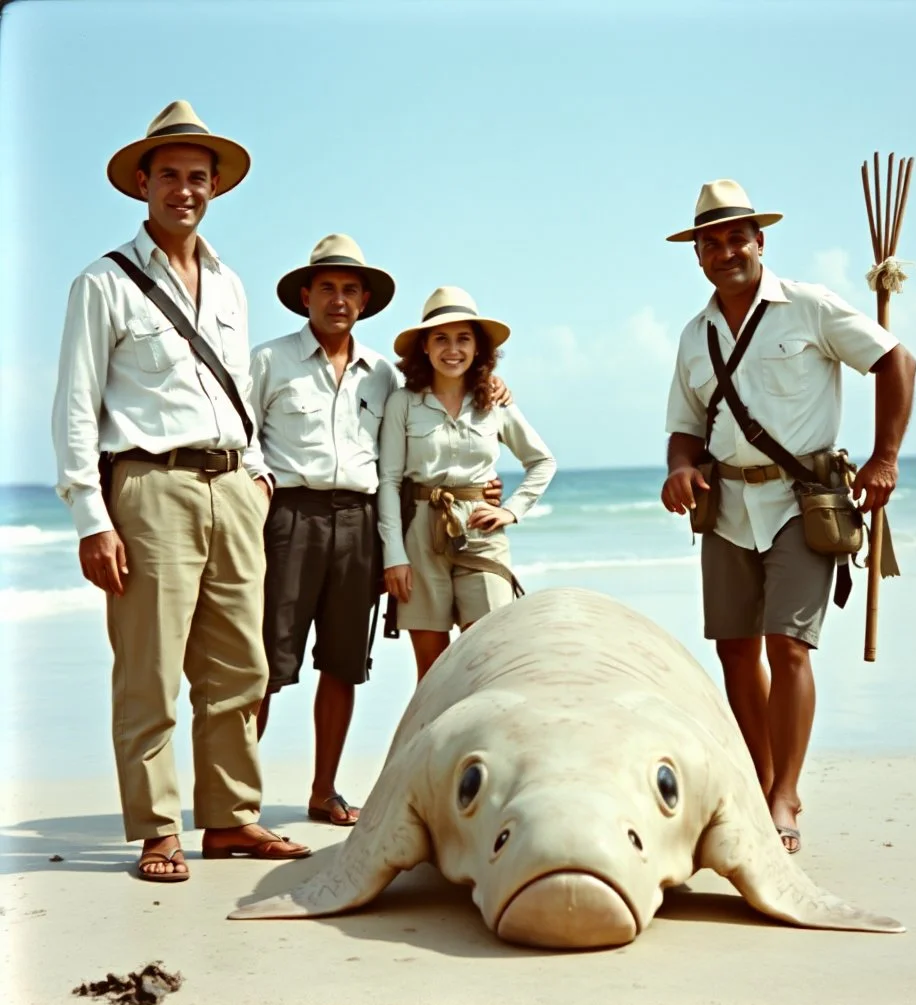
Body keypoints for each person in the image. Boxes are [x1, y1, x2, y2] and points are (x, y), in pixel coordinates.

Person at [51, 100, 311, 882]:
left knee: (242, 667)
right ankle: (159, 828)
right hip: (149, 485)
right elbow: (74, 404)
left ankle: (231, 819)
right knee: (150, 669)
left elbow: (237, 389)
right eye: (170, 175)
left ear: (215, 187)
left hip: (233, 485)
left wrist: (260, 475)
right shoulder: (103, 281)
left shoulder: (231, 284)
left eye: (199, 177)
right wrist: (91, 517)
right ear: (142, 182)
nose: (185, 190)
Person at [659, 179, 916, 854]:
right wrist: (678, 469)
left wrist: (884, 458)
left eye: (736, 237)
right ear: (697, 256)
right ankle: (759, 778)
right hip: (726, 508)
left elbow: (896, 360)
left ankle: (786, 795)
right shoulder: (695, 335)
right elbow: (685, 427)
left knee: (789, 646)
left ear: (759, 241)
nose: (725, 252)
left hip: (805, 503)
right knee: (735, 651)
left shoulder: (808, 306)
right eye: (710, 243)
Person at [251, 245, 511, 826]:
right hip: (289, 518)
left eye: (350, 290)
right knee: (265, 664)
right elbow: (243, 437)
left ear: (365, 301)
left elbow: (425, 437)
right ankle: (238, 801)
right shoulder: (268, 361)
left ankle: (323, 793)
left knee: (344, 663)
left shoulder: (387, 377)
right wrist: (258, 495)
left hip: (361, 522)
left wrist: (493, 397)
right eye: (327, 288)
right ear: (305, 296)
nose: (338, 300)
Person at [378, 286, 557, 683]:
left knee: (488, 660)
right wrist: (395, 555)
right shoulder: (403, 403)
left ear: (478, 348)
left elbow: (542, 461)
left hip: (481, 532)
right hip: (420, 537)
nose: (452, 349)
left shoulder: (495, 402)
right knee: (433, 672)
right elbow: (388, 481)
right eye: (441, 338)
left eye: (463, 338)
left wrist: (510, 509)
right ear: (424, 346)